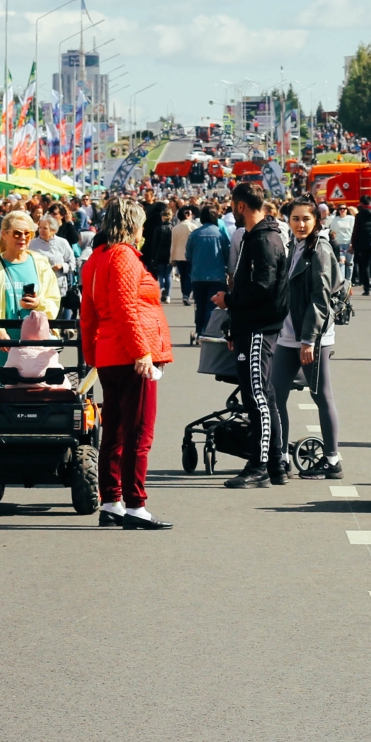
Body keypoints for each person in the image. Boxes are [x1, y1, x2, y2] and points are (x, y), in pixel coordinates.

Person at [81, 198, 174, 528]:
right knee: (139, 433)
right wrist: (142, 352)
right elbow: (125, 308)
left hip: (110, 354)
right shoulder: (123, 256)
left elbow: (88, 315)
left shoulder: (96, 258)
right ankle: (135, 504)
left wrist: (93, 355)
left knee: (115, 433)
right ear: (133, 226)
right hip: (131, 353)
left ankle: (112, 501)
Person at [217, 181, 290, 488]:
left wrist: (228, 301)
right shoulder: (252, 236)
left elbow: (262, 286)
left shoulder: (264, 239)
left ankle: (259, 465)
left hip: (260, 326)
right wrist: (233, 324)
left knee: (256, 396)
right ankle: (275, 464)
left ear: (241, 206)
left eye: (233, 205)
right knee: (264, 396)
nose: (231, 210)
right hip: (250, 325)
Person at [274, 198, 348, 477]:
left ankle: (332, 460)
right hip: (287, 334)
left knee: (321, 395)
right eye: (295, 219)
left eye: (306, 218)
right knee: (275, 394)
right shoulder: (294, 246)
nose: (300, 224)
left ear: (316, 220)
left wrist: (309, 340)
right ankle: (280, 455)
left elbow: (321, 298)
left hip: (313, 336)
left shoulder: (320, 249)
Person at [0, 210, 64, 362]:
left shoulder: (41, 263)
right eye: (17, 233)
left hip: (37, 348)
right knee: (3, 386)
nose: (22, 238)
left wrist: (38, 303)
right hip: (3, 346)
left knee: (36, 386)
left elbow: (54, 300)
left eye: (27, 234)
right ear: (4, 234)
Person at [184, 207, 231, 343]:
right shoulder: (220, 234)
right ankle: (208, 332)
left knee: (200, 306)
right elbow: (227, 253)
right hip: (217, 275)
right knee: (212, 306)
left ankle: (199, 331)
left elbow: (188, 255)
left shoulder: (195, 234)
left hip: (198, 275)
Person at [167, 203, 197, 307]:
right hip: (190, 256)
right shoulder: (193, 227)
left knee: (183, 276)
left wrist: (172, 258)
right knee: (190, 276)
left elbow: (173, 243)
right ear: (187, 214)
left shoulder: (175, 228)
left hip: (178, 255)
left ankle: (185, 293)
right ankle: (187, 294)